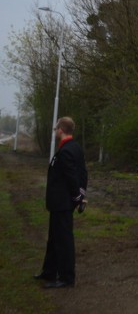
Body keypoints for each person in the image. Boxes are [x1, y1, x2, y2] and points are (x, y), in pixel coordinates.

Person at [35, 116, 88, 289]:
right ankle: (49, 271)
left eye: (56, 128)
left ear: (61, 130)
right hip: (59, 203)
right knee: (53, 238)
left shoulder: (66, 151)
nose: (55, 131)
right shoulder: (74, 148)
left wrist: (77, 198)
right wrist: (81, 194)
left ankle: (66, 277)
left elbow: (74, 178)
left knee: (63, 240)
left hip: (62, 203)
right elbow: (83, 174)